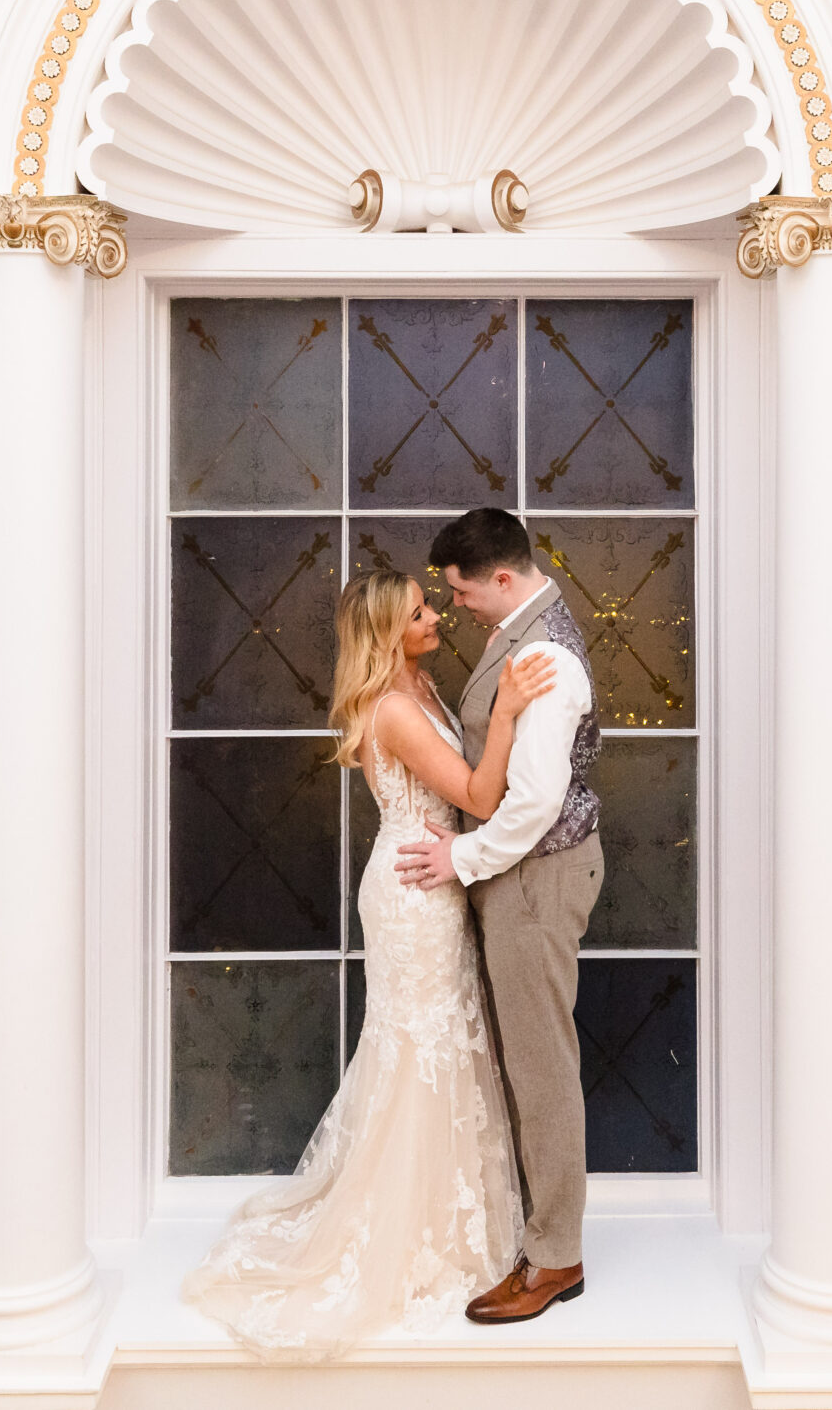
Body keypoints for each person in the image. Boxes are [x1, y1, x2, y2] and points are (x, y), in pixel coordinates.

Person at [182, 567, 559, 1359]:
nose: (434, 618)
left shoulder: (418, 683)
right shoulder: (393, 707)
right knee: (420, 1046)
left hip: (428, 877)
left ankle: (438, 1216)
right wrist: (510, 716)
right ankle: (400, 1231)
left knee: (440, 1044)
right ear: (389, 629)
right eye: (421, 612)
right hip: (415, 895)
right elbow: (480, 797)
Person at [394, 506, 602, 1325]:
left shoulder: (544, 652)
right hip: (523, 876)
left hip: (536, 878)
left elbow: (536, 801)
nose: (455, 604)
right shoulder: (522, 626)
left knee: (540, 1066)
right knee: (528, 1058)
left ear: (505, 580)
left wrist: (462, 858)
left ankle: (556, 1260)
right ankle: (543, 1238)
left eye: (461, 589)